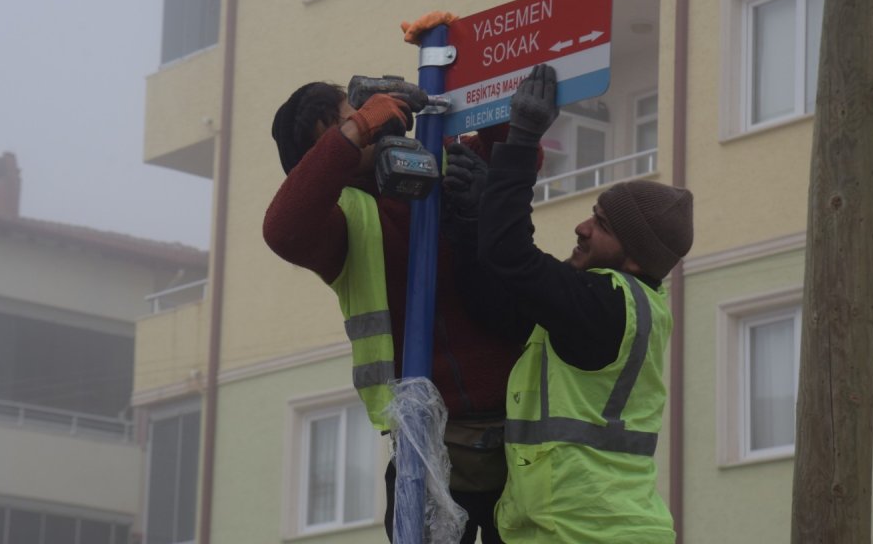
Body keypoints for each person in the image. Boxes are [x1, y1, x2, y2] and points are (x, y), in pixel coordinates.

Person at [263, 74, 532, 543]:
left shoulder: (436, 158)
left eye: (362, 115)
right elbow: (282, 229)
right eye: (352, 124)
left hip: (526, 435)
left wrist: (474, 102)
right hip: (431, 453)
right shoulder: (342, 223)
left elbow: (516, 156)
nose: (369, 125)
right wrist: (356, 131)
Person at [447, 64, 693, 543]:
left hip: (585, 533)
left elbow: (511, 255)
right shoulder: (602, 307)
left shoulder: (605, 305)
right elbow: (496, 305)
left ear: (636, 260)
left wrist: (521, 142)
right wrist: (469, 222)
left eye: (601, 225)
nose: (582, 227)